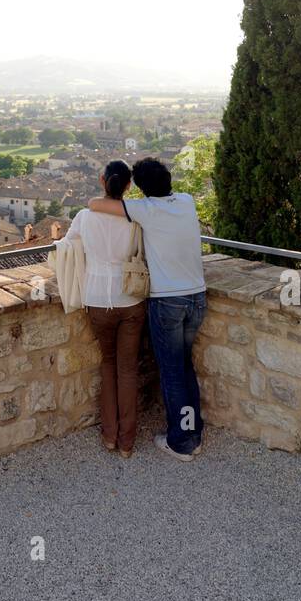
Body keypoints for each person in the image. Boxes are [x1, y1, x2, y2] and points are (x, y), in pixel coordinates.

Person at [88, 157, 206, 461]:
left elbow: (95, 205)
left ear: (140, 188)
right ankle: (193, 432)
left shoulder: (146, 210)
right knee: (185, 366)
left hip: (168, 301)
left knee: (171, 372)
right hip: (197, 296)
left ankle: (181, 442)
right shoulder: (187, 201)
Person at [63, 160, 146, 458]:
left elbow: (65, 246)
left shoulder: (85, 216)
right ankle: (127, 441)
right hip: (131, 298)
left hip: (97, 298)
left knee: (108, 365)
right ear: (128, 185)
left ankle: (110, 436)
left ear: (102, 181)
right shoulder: (135, 217)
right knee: (127, 369)